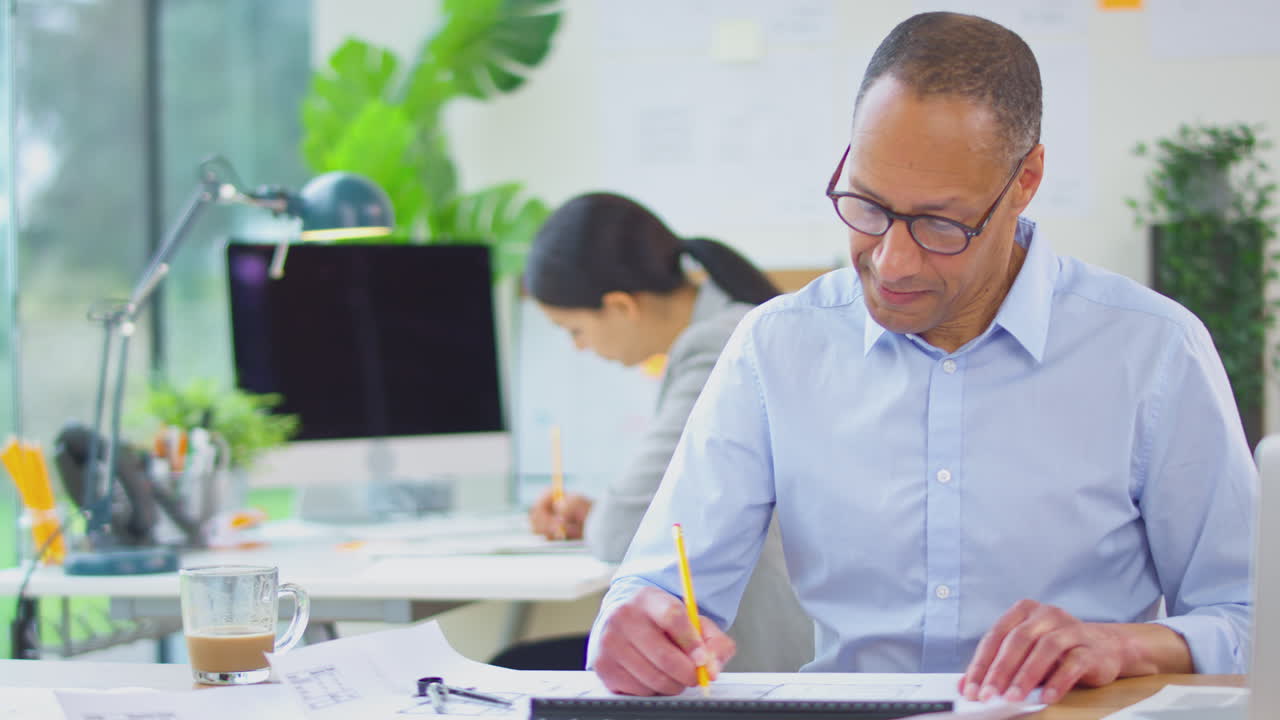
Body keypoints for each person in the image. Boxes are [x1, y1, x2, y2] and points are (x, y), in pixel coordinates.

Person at [586, 11, 1255, 705]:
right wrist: (635, 627)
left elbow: (1250, 617)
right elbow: (657, 588)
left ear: (1026, 179)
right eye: (867, 206)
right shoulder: (775, 348)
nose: (893, 261)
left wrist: (1125, 645)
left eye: (940, 223)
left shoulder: (1152, 351)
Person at [495, 191, 813, 672]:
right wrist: (595, 512)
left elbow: (621, 530)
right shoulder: (730, 325)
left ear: (622, 306)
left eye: (574, 330)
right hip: (751, 630)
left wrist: (603, 517)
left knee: (518, 666)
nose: (579, 348)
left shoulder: (715, 347)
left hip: (755, 650)